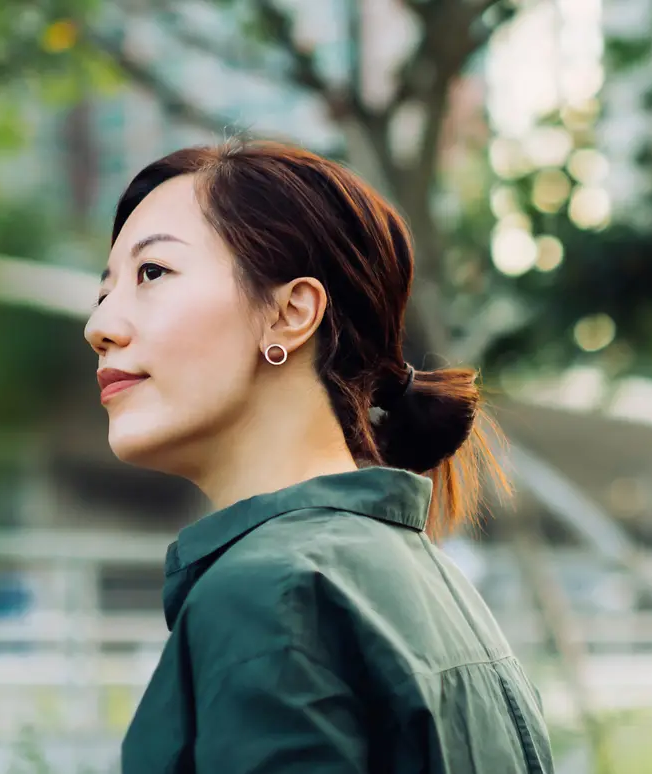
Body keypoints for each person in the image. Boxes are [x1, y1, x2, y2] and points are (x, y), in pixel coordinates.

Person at [85, 139, 554, 773]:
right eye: (103, 291)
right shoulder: (432, 584)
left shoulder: (271, 596)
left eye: (153, 273)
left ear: (289, 314)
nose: (100, 326)